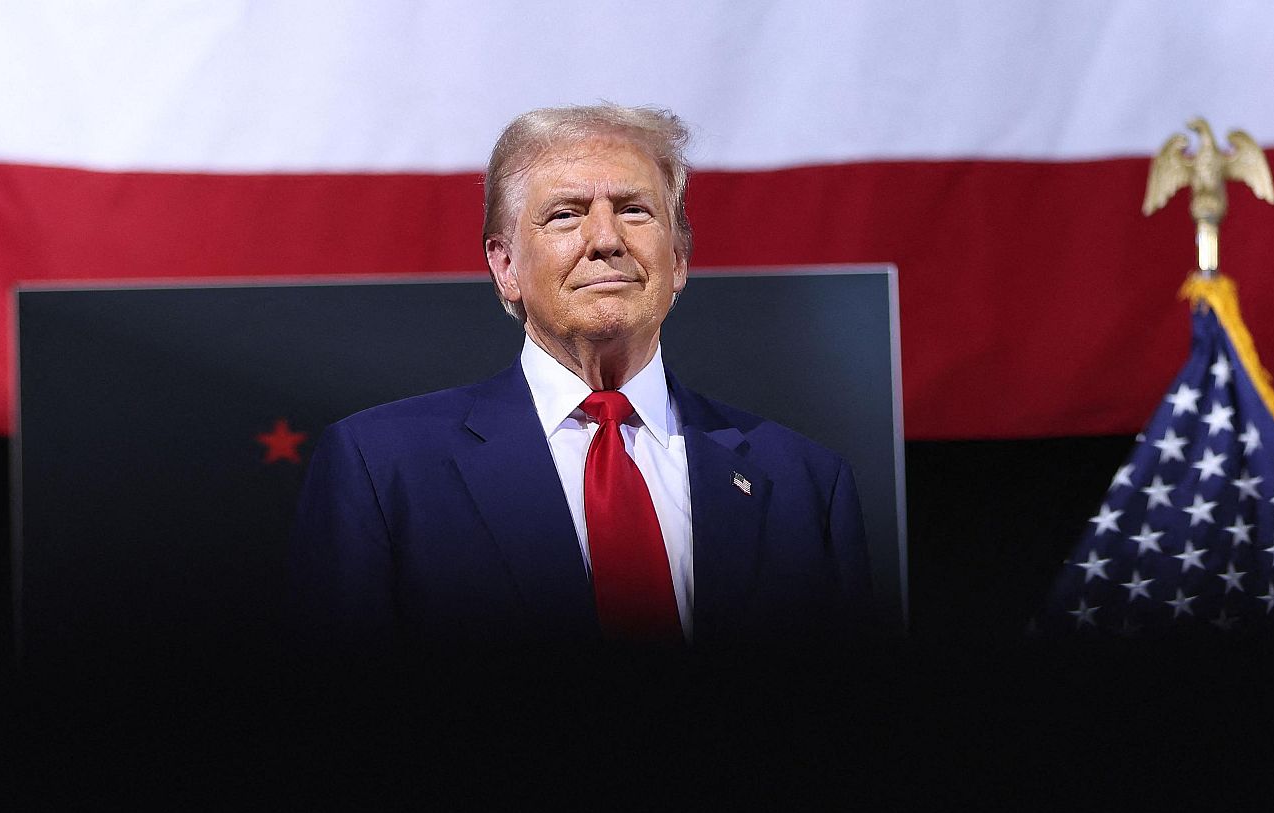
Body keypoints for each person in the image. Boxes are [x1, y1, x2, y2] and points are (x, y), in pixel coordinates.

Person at [289, 104, 873, 648]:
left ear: (680, 259)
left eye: (633, 210)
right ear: (506, 266)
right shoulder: (381, 468)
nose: (605, 240)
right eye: (566, 215)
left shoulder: (806, 484)